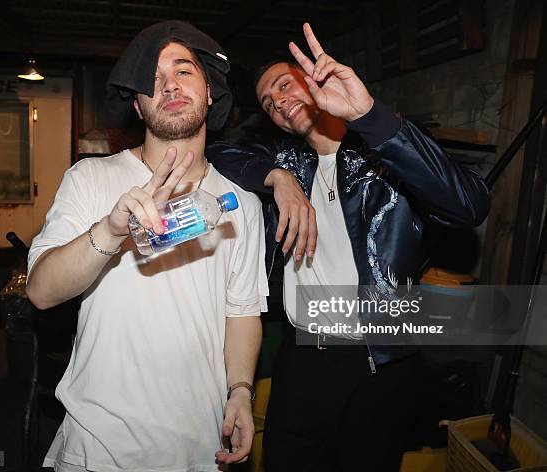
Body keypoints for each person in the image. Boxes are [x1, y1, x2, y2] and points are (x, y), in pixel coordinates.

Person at [206, 23, 491, 471]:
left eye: (285, 86)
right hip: (302, 359)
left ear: (316, 77)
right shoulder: (286, 163)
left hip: (379, 364)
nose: (279, 103)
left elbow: (470, 205)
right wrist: (277, 179)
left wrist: (370, 116)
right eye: (268, 103)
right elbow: (217, 154)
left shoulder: (386, 154)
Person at [26, 20, 268, 472]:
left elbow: (242, 312)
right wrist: (112, 230)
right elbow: (41, 291)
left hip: (200, 447)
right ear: (138, 106)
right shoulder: (91, 179)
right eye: (152, 80)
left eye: (183, 71)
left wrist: (240, 391)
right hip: (97, 449)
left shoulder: (242, 206)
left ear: (210, 92)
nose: (169, 85)